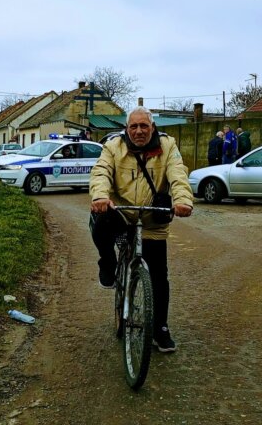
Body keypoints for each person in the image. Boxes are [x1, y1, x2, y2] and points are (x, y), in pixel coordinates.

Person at [89, 106, 193, 353]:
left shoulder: (167, 146)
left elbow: (178, 174)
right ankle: (107, 261)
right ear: (127, 128)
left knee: (158, 276)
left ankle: (160, 329)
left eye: (144, 126)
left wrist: (183, 200)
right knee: (98, 220)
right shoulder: (113, 146)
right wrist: (101, 196)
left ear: (152, 127)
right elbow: (101, 172)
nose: (138, 131)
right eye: (133, 126)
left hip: (152, 220)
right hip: (121, 214)